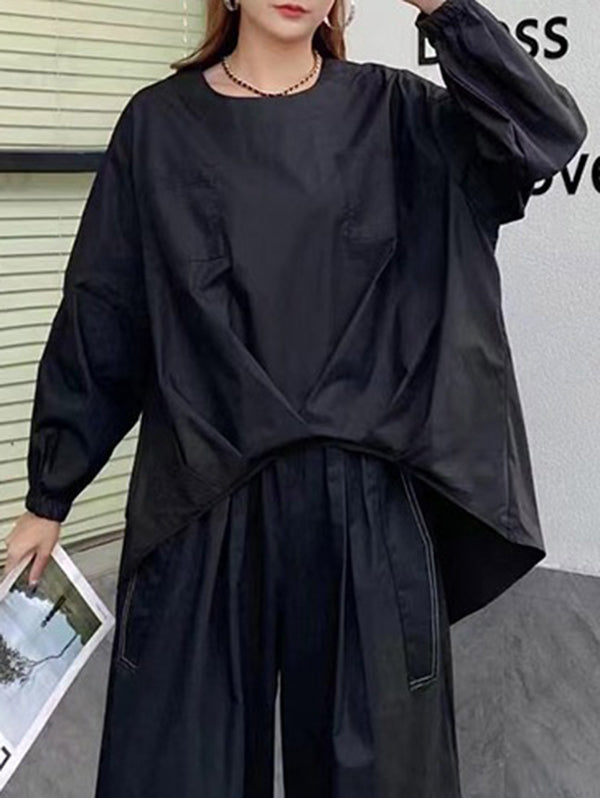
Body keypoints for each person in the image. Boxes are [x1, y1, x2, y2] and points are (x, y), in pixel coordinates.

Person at [3, 0, 588, 794]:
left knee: (381, 777)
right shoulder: (158, 127)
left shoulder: (400, 115)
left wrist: (443, 10)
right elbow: (106, 313)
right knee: (179, 770)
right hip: (202, 497)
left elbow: (545, 132)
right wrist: (50, 493)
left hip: (366, 505)